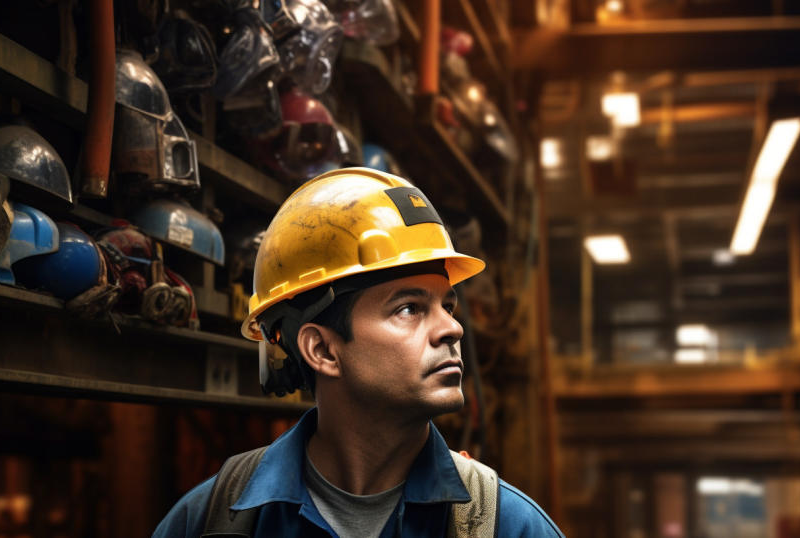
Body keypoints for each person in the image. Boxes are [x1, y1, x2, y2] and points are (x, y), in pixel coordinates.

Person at [152, 168, 563, 537]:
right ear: (322, 349)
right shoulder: (213, 521)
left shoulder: (507, 526)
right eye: (410, 308)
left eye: (448, 306)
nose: (452, 328)